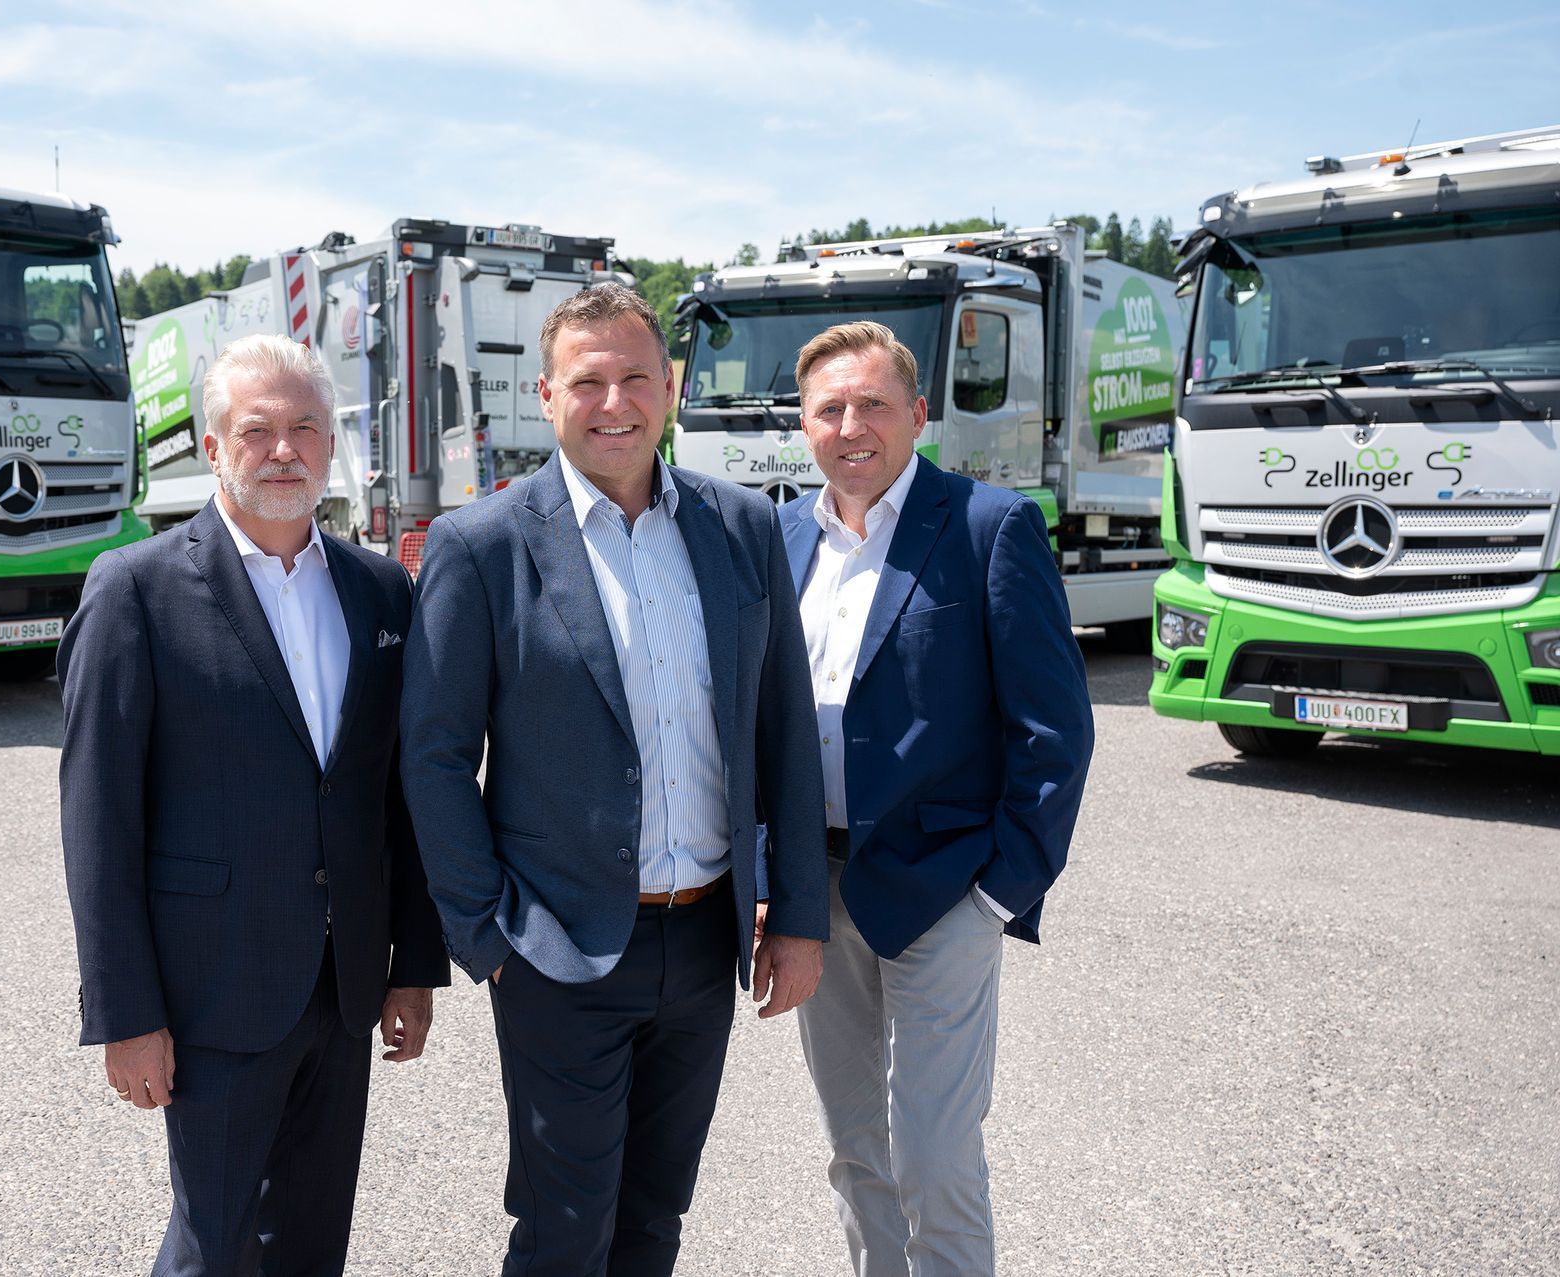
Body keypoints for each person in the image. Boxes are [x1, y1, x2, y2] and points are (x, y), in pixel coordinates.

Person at [400, 283, 828, 1277]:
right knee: (564, 1230)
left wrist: (799, 911)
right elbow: (431, 753)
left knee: (653, 1222)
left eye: (637, 376)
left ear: (671, 388)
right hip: (559, 950)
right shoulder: (483, 544)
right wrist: (487, 928)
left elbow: (784, 730)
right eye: (587, 381)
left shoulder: (740, 528)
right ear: (546, 397)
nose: (614, 401)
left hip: (707, 936)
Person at [57, 333, 449, 1276]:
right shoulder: (137, 590)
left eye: (305, 428)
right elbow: (98, 816)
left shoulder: (379, 589)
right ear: (210, 442)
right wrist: (125, 1011)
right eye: (257, 430)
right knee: (212, 1243)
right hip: (211, 992)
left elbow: (401, 792)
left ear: (330, 442)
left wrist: (412, 964)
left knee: (313, 1242)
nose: (284, 451)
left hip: (342, 983)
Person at [780, 321, 1094, 1277]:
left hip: (945, 885)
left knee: (934, 1152)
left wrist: (1001, 891)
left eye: (873, 403)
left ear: (918, 414)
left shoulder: (986, 525)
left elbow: (1055, 727)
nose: (852, 426)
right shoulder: (782, 531)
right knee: (853, 1146)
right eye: (830, 407)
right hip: (816, 892)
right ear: (805, 424)